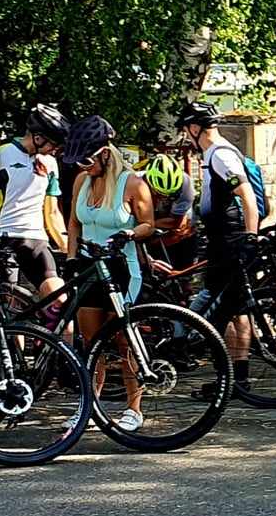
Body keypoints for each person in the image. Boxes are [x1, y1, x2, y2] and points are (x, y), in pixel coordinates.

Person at [66, 116, 158, 432]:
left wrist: (129, 234)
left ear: (105, 153)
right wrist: (71, 257)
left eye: (88, 160)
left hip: (122, 268)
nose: (84, 166)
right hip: (90, 267)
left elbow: (148, 225)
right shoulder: (82, 180)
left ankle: (134, 408)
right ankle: (89, 406)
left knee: (123, 339)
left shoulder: (132, 184)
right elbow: (74, 223)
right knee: (91, 343)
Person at [177, 101, 261, 400]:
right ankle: (238, 379)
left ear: (195, 128)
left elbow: (246, 195)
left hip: (229, 241)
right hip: (224, 239)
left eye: (186, 130)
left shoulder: (221, 156)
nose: (185, 136)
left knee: (221, 312)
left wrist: (250, 237)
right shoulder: (215, 154)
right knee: (234, 310)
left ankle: (229, 380)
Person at [0, 103, 70, 304]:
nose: (55, 151)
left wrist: (68, 248)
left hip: (36, 238)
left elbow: (52, 212)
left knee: (59, 299)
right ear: (38, 137)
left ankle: (51, 326)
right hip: (2, 237)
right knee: (9, 303)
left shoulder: (50, 163)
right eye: (53, 145)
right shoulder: (2, 155)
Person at [139, 152, 198, 271]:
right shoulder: (136, 182)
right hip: (152, 233)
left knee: (182, 234)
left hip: (180, 235)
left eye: (170, 195)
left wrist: (147, 224)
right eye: (158, 194)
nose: (163, 198)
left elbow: (177, 223)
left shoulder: (185, 183)